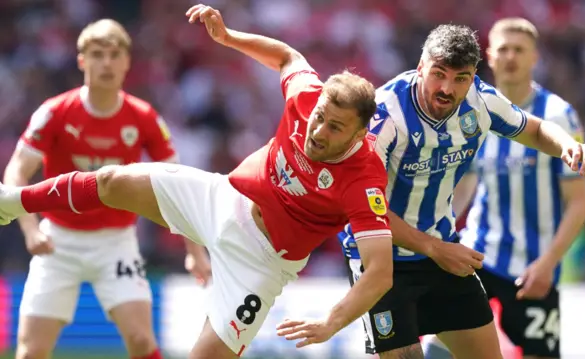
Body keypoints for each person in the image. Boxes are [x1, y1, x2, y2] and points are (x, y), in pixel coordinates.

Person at [0, 4, 394, 359]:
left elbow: (379, 272)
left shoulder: (364, 179)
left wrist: (330, 322)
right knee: (109, 180)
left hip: (261, 263)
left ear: (359, 136)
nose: (319, 131)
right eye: (320, 116)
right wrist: (228, 37)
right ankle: (12, 201)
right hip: (223, 199)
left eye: (335, 127)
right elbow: (288, 56)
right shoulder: (308, 95)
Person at [338, 23, 585, 359]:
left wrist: (567, 146)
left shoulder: (481, 101)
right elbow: (363, 210)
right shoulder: (385, 116)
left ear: (473, 76)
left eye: (460, 78)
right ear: (421, 68)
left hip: (441, 253)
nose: (447, 88)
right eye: (438, 74)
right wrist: (435, 248)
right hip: (380, 259)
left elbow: (533, 129)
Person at [1, 19, 213, 359]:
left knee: (143, 343)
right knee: (30, 351)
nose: (107, 63)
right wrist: (29, 230)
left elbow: (179, 184)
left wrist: (195, 252)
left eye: (115, 55)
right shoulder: (54, 113)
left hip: (116, 243)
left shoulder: (143, 117)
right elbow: (16, 170)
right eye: (97, 54)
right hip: (57, 241)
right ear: (82, 61)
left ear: (127, 62)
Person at [424, 18, 585, 359]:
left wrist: (549, 264)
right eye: (503, 49)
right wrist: (440, 235)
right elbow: (467, 182)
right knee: (438, 344)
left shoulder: (558, 116)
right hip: (480, 253)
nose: (511, 56)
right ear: (490, 57)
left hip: (534, 267)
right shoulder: (473, 111)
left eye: (520, 49)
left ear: (535, 58)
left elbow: (578, 204)